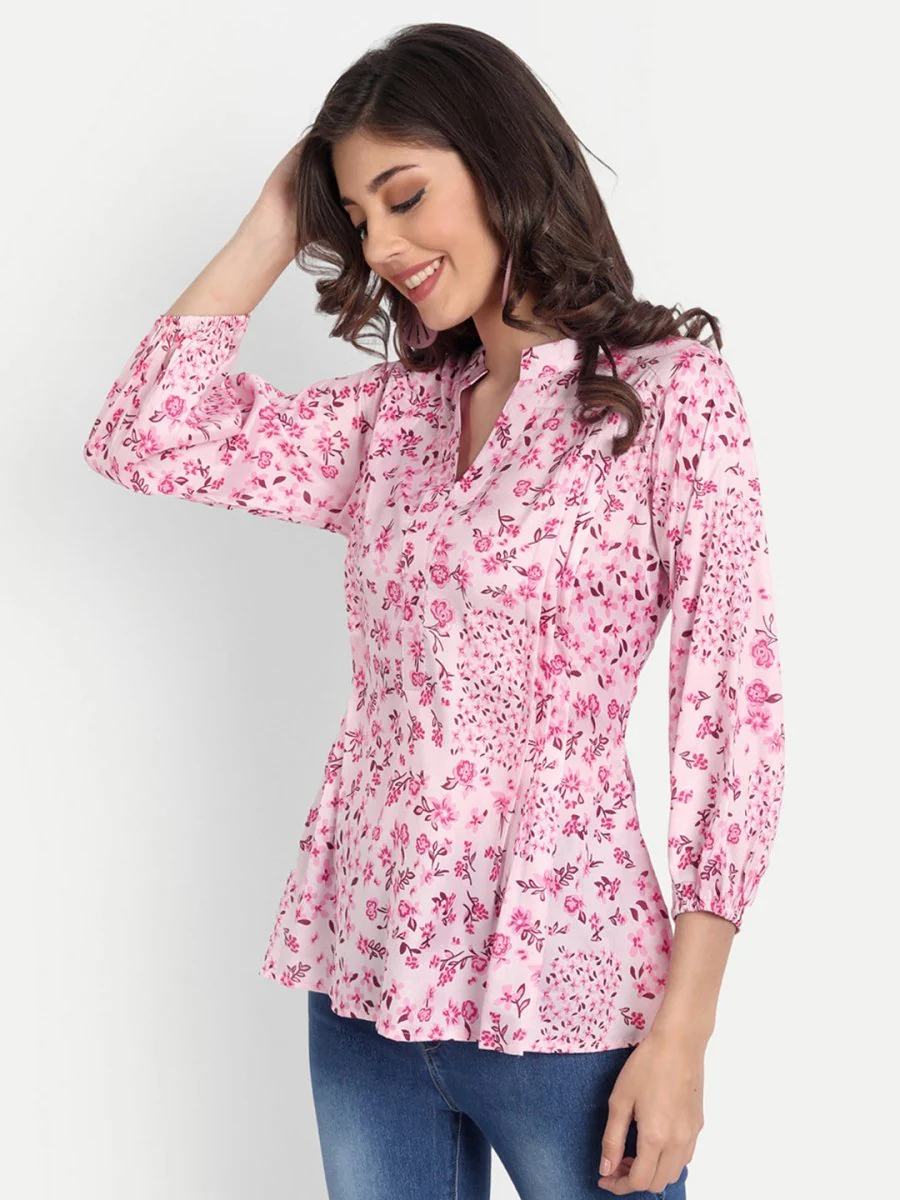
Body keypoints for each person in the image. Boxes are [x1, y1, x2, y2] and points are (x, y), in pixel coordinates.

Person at [81, 21, 786, 1200]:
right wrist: (276, 219)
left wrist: (685, 1036)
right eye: (358, 219)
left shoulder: (669, 398)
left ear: (504, 161)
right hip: (361, 975)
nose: (383, 246)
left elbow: (734, 722)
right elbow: (144, 435)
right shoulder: (393, 418)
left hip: (564, 987)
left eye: (405, 197)